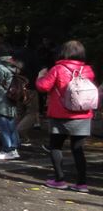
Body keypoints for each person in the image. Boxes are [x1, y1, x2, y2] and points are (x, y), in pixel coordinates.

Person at [36, 40, 96, 192]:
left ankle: (59, 179)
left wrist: (40, 76)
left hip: (60, 114)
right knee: (78, 149)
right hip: (82, 115)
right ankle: (82, 183)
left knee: (56, 146)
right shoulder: (88, 70)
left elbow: (43, 87)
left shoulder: (58, 69)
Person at [0, 44, 23, 161]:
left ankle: (8, 149)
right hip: (12, 97)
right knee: (11, 124)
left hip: (1, 99)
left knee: (3, 126)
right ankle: (14, 149)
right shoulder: (14, 65)